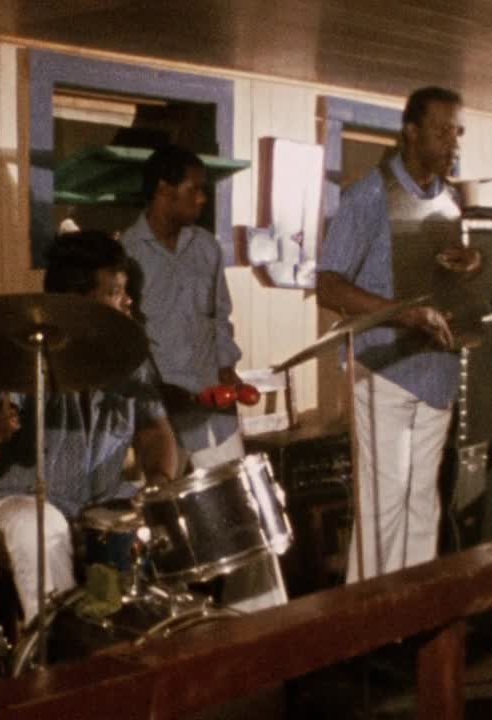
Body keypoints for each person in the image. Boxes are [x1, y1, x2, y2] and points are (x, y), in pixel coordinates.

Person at [0, 230, 178, 623]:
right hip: (22, 503)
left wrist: (159, 484)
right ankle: (62, 640)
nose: (128, 301)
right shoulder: (23, 354)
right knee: (40, 528)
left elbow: (154, 433)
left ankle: (150, 637)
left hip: (102, 503)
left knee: (186, 515)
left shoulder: (129, 356)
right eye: (115, 292)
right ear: (79, 303)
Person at [316, 86, 481, 583]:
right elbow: (328, 285)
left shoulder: (450, 200)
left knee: (423, 503)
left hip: (437, 368)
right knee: (383, 503)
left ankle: (412, 612)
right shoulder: (367, 195)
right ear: (411, 132)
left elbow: (441, 275)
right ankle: (367, 615)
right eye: (442, 131)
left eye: (457, 132)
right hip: (384, 369)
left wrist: (471, 262)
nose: (453, 143)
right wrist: (399, 314)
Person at [120, 144, 287, 612]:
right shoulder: (126, 253)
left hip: (213, 412)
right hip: (160, 420)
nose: (202, 199)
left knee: (245, 526)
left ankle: (262, 626)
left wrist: (227, 374)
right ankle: (174, 628)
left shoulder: (207, 248)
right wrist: (157, 398)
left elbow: (219, 319)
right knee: (167, 539)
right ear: (163, 190)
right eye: (193, 190)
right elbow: (127, 338)